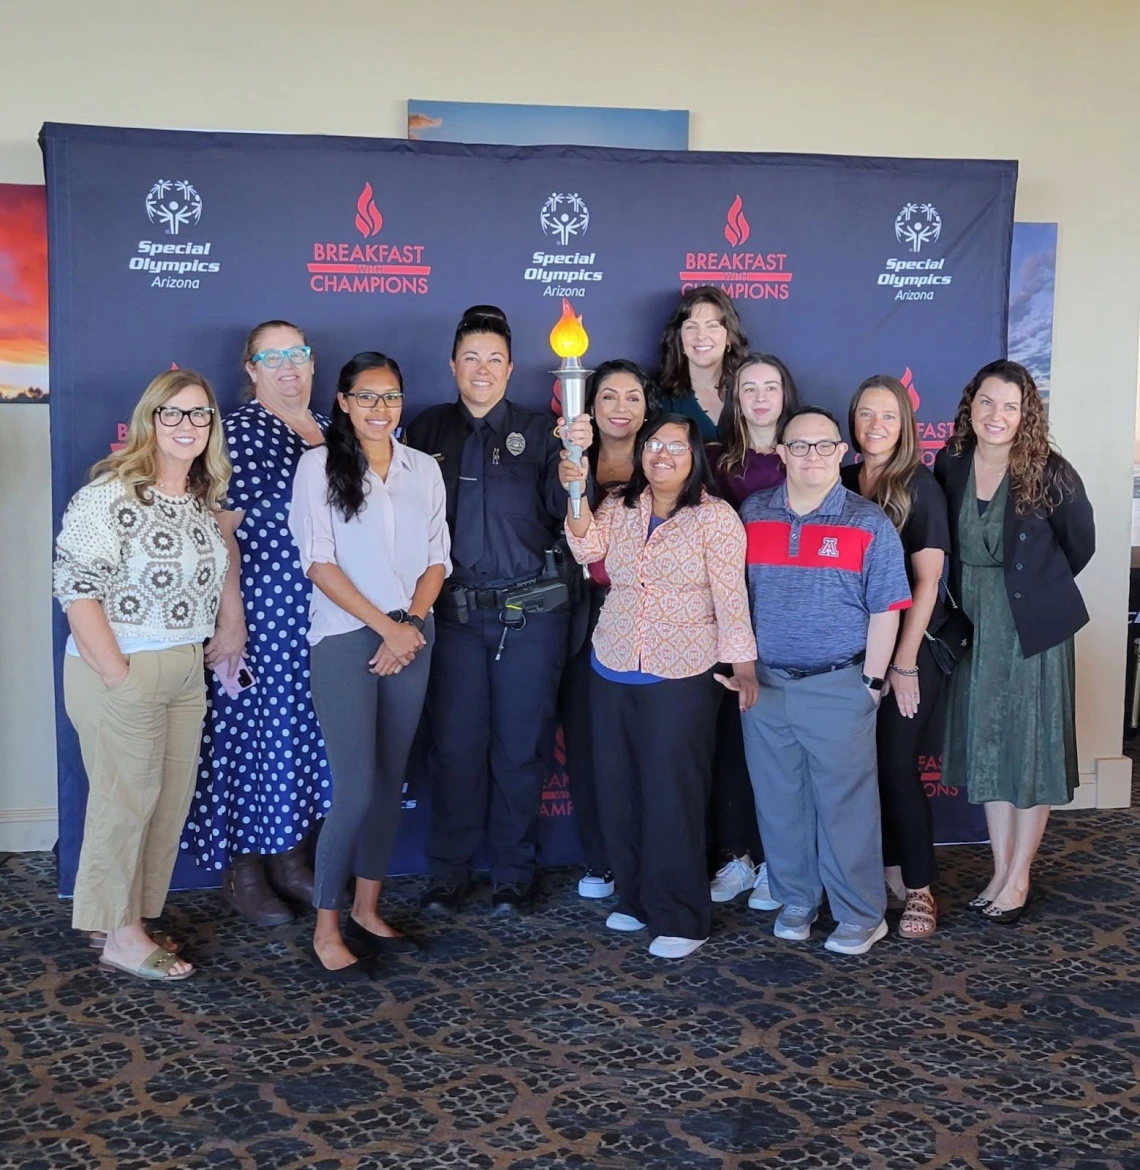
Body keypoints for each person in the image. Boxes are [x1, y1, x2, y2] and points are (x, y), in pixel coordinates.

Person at [53, 369, 230, 981]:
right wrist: (117, 673)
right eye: (174, 414)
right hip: (121, 665)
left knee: (163, 802)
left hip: (183, 669)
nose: (188, 426)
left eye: (200, 414)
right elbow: (77, 591)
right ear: (150, 420)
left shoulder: (199, 500)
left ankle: (125, 917)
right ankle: (120, 937)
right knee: (124, 803)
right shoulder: (110, 495)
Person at [562, 413, 758, 959]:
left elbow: (731, 597)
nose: (662, 454)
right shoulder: (621, 503)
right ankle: (636, 898)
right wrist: (576, 494)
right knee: (619, 789)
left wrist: (742, 664)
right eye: (653, 445)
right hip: (612, 664)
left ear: (695, 456)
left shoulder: (715, 518)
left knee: (672, 794)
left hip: (682, 674)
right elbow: (585, 552)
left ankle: (682, 915)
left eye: (675, 446)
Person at [404, 306, 573, 916]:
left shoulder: (544, 431)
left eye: (494, 359)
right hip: (451, 618)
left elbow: (568, 514)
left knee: (520, 748)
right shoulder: (424, 432)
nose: (482, 369)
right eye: (470, 358)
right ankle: (447, 874)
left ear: (510, 367)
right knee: (453, 747)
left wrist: (576, 471)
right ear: (452, 366)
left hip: (528, 615)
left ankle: (512, 873)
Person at [289, 352, 450, 980]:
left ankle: (367, 909)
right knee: (354, 786)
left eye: (391, 397)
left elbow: (438, 559)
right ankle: (326, 928)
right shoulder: (317, 466)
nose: (381, 409)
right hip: (348, 639)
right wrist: (388, 628)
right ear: (344, 402)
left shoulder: (424, 469)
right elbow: (319, 564)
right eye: (367, 397)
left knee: (390, 783)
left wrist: (409, 626)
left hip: (412, 634)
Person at [734, 406, 911, 955]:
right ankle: (796, 898)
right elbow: (734, 596)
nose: (811, 455)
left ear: (842, 452)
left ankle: (861, 913)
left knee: (846, 806)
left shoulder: (868, 522)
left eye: (823, 445)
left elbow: (887, 608)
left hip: (839, 684)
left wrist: (872, 682)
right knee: (779, 799)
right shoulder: (752, 513)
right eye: (799, 445)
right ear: (780, 452)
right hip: (766, 686)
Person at [184, 320, 333, 926]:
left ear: (313, 361)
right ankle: (244, 868)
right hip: (262, 612)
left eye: (297, 353)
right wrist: (232, 620)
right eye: (272, 358)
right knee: (253, 735)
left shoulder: (331, 429)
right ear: (251, 370)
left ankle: (292, 857)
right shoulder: (239, 434)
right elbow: (221, 532)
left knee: (308, 735)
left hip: (325, 611)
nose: (288, 366)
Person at [936, 360, 1094, 924]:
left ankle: (1021, 875)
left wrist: (1031, 586)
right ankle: (999, 869)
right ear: (970, 404)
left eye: (1009, 405)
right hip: (974, 623)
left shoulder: (1050, 471)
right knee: (988, 747)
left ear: (1025, 414)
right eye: (986, 402)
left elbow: (1081, 543)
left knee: (1028, 749)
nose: (995, 415)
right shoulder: (950, 463)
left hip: (1033, 627)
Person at [842, 375, 951, 939]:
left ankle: (922, 889)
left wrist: (902, 665)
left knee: (895, 770)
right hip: (851, 650)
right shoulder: (840, 479)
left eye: (888, 415)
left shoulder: (918, 485)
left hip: (910, 649)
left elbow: (928, 583)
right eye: (866, 414)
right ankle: (885, 876)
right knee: (859, 774)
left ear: (905, 425)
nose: (876, 425)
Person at [705, 353, 802, 910]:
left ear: (785, 393)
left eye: (771, 386)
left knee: (781, 750)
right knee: (732, 745)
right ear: (734, 398)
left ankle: (778, 862)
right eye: (749, 388)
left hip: (791, 621)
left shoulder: (807, 455)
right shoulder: (716, 461)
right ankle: (739, 856)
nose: (761, 397)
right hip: (726, 621)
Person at [558, 359, 656, 901]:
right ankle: (603, 858)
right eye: (609, 397)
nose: (622, 408)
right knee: (590, 741)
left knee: (647, 743)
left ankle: (647, 853)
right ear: (588, 408)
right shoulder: (572, 462)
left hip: (649, 618)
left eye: (633, 397)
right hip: (580, 614)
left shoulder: (663, 462)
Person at [657, 286, 749, 441]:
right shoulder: (661, 398)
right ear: (679, 339)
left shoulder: (749, 392)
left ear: (729, 337)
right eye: (691, 327)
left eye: (712, 326)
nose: (701, 336)